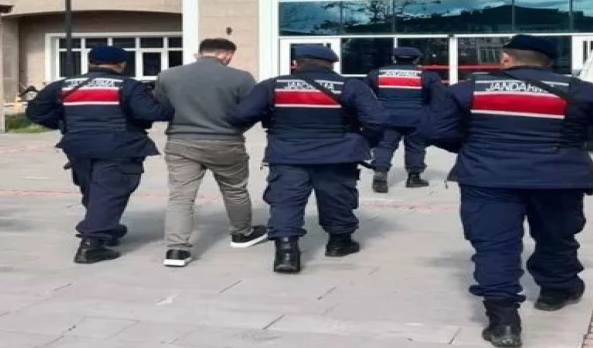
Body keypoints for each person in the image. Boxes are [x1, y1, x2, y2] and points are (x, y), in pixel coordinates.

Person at [417, 34, 593, 348]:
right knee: (556, 235)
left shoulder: (469, 89)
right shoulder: (578, 90)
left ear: (506, 59)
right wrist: (573, 137)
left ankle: (504, 322)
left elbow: (432, 130)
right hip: (559, 178)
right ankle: (556, 291)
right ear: (549, 63)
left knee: (494, 246)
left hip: (488, 178)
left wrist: (473, 147)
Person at [229, 44, 392, 274]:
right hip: (337, 155)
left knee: (285, 201)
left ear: (296, 63)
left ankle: (286, 253)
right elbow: (377, 120)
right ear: (331, 65)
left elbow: (240, 115)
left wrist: (270, 115)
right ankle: (338, 243)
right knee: (338, 198)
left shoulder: (273, 86)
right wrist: (362, 142)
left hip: (288, 154)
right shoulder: (350, 86)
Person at [25, 45, 174, 264]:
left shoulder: (64, 85)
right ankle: (91, 244)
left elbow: (35, 112)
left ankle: (107, 228)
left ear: (90, 62)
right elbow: (150, 112)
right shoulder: (128, 86)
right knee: (109, 191)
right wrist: (169, 105)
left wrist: (64, 123)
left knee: (93, 190)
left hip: (78, 146)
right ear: (121, 64)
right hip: (118, 146)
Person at [153, 38, 267, 268]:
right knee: (234, 190)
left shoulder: (167, 75)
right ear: (226, 55)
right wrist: (235, 130)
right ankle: (242, 233)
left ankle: (177, 249)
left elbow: (161, 108)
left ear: (199, 53)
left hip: (181, 142)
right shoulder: (241, 77)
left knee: (181, 196)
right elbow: (251, 112)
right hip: (226, 142)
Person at [364, 46, 445, 192]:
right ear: (416, 59)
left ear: (394, 58)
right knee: (416, 147)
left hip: (387, 117)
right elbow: (439, 100)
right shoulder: (428, 76)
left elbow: (366, 95)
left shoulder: (376, 74)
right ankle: (414, 177)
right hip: (416, 118)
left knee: (384, 146)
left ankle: (380, 173)